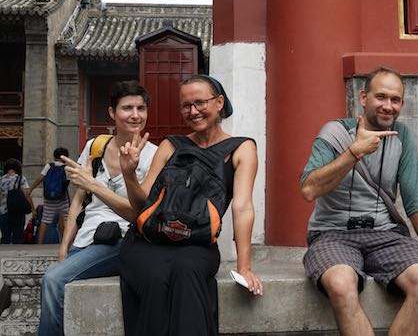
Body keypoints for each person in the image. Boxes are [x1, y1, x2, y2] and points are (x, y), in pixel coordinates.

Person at [300, 66, 418, 336]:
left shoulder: (403, 136)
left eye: (395, 100)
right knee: (340, 284)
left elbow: (415, 203)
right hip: (332, 233)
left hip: (385, 234)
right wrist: (354, 152)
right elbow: (308, 189)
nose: (388, 106)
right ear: (364, 98)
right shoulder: (335, 132)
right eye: (381, 97)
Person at [115, 74, 262, 336]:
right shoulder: (171, 145)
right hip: (148, 241)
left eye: (200, 103)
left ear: (219, 102)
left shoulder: (242, 148)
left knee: (188, 272)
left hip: (197, 242)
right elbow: (142, 205)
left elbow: (242, 208)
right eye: (186, 106)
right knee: (155, 277)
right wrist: (129, 174)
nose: (193, 111)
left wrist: (244, 267)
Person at [38, 81, 158, 336]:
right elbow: (79, 199)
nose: (135, 115)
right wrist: (64, 247)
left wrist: (94, 184)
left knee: (53, 280)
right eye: (127, 108)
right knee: (58, 277)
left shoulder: (154, 156)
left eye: (141, 108)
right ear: (112, 112)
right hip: (87, 238)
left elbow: (139, 212)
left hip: (124, 239)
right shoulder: (95, 147)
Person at [28, 147, 71, 244]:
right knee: (65, 218)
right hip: (62, 198)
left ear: (54, 157)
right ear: (65, 157)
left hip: (49, 198)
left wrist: (31, 188)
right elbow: (68, 181)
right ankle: (65, 242)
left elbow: (40, 178)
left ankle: (40, 243)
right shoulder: (66, 168)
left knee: (45, 220)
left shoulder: (48, 166)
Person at [0, 158, 33, 244]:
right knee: (18, 237)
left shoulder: (1, 179)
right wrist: (33, 209)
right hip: (17, 212)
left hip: (3, 212)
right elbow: (27, 194)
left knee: (5, 238)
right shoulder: (21, 179)